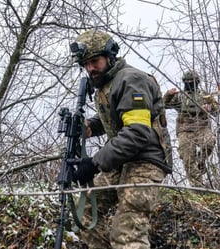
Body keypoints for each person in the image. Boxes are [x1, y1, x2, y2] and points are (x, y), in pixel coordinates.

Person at [68, 29, 172, 249]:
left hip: (146, 161)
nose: (90, 68)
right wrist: (88, 127)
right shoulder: (107, 83)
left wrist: (95, 163)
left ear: (110, 56)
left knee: (126, 234)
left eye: (94, 61)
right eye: (85, 64)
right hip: (122, 160)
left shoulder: (131, 79)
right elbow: (116, 118)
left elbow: (137, 132)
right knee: (84, 213)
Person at [163, 70, 220, 187]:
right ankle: (198, 188)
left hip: (202, 127)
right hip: (184, 129)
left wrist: (209, 107)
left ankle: (201, 162)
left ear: (197, 82)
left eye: (191, 81)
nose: (189, 83)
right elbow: (163, 105)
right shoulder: (179, 96)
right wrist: (168, 95)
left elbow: (217, 110)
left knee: (209, 143)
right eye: (186, 81)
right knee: (188, 159)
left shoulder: (205, 95)